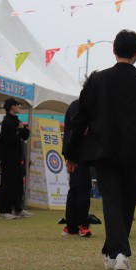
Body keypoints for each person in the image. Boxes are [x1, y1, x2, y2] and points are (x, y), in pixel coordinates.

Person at [63, 29, 136, 270]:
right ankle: (117, 253)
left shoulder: (97, 81)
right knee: (126, 202)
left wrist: (71, 152)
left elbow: (80, 118)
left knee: (112, 201)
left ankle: (116, 253)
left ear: (114, 50)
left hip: (104, 149)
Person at [61, 99, 92, 237]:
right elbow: (80, 130)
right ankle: (81, 224)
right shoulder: (80, 105)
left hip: (77, 152)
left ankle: (72, 225)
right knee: (82, 187)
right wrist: (71, 155)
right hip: (78, 153)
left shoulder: (78, 104)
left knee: (75, 188)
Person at [0, 97, 31, 220]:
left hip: (16, 158)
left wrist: (21, 130)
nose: (19, 107)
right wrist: (19, 132)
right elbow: (8, 140)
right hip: (8, 159)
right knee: (7, 184)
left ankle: (18, 209)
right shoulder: (7, 122)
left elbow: (26, 135)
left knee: (17, 184)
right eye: (17, 105)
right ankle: (4, 211)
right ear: (12, 106)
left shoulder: (16, 121)